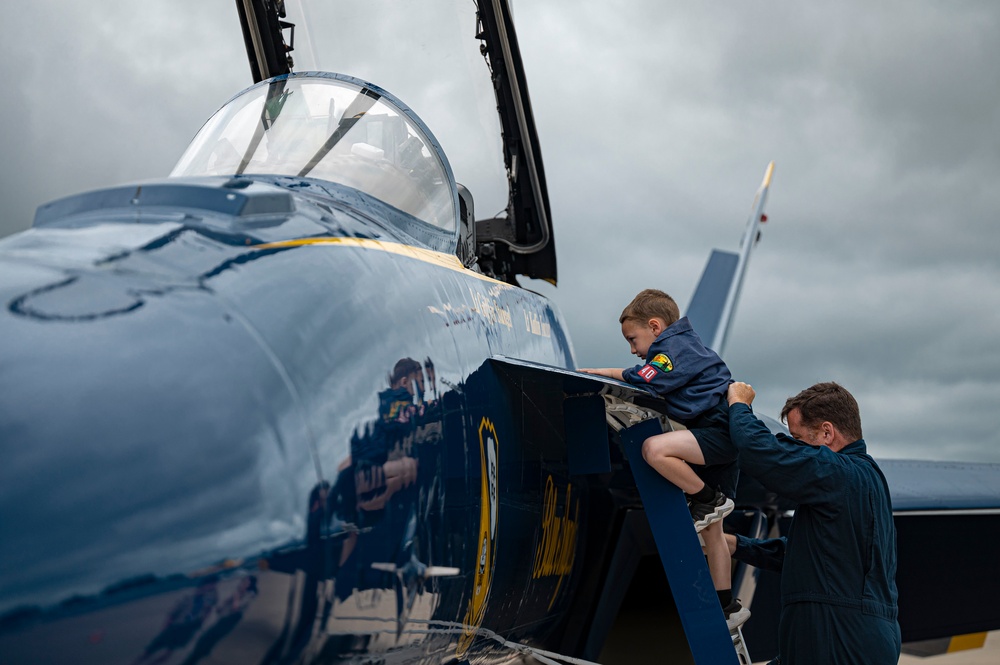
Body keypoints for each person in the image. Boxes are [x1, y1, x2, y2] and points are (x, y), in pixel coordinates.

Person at [581, 288, 748, 631]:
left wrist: (596, 372)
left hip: (715, 431)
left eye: (633, 339)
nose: (633, 350)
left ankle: (706, 499)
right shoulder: (688, 345)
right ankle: (725, 605)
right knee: (714, 534)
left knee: (654, 450)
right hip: (721, 437)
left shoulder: (671, 349)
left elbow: (644, 379)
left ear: (655, 327)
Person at [725, 381, 900, 665]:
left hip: (839, 638)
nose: (797, 447)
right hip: (848, 638)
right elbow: (811, 558)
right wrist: (736, 545)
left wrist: (739, 404)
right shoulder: (865, 480)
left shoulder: (839, 474)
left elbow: (760, 451)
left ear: (827, 432)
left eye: (798, 438)